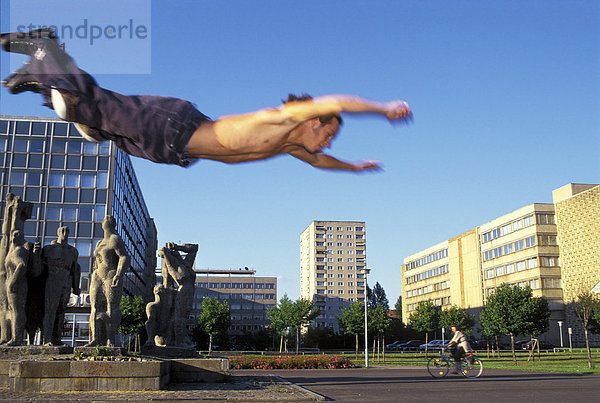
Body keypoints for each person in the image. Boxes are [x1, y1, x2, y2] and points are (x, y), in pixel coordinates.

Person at [1, 28, 412, 171]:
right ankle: (43, 49)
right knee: (80, 102)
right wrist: (382, 107)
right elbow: (335, 98)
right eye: (329, 133)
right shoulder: (287, 119)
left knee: (90, 126)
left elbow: (321, 161)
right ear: (314, 119)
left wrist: (355, 167)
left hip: (168, 148)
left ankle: (36, 76)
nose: (326, 144)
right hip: (171, 124)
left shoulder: (292, 146)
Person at [86, 215, 130, 347]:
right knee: (95, 306)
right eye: (105, 218)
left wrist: (119, 274)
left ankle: (110, 339)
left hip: (110, 275)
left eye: (108, 218)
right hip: (97, 276)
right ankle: (95, 338)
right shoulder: (100, 243)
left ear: (111, 224)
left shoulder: (115, 239)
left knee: (111, 307)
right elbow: (96, 260)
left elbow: (124, 257)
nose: (106, 218)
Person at [41, 226, 81, 346]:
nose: (65, 233)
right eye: (62, 231)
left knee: (61, 310)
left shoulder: (72, 251)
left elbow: (75, 269)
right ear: (58, 233)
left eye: (67, 231)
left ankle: (56, 338)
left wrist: (76, 286)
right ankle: (46, 339)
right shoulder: (48, 249)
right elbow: (39, 267)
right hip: (52, 280)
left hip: (66, 282)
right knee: (50, 309)